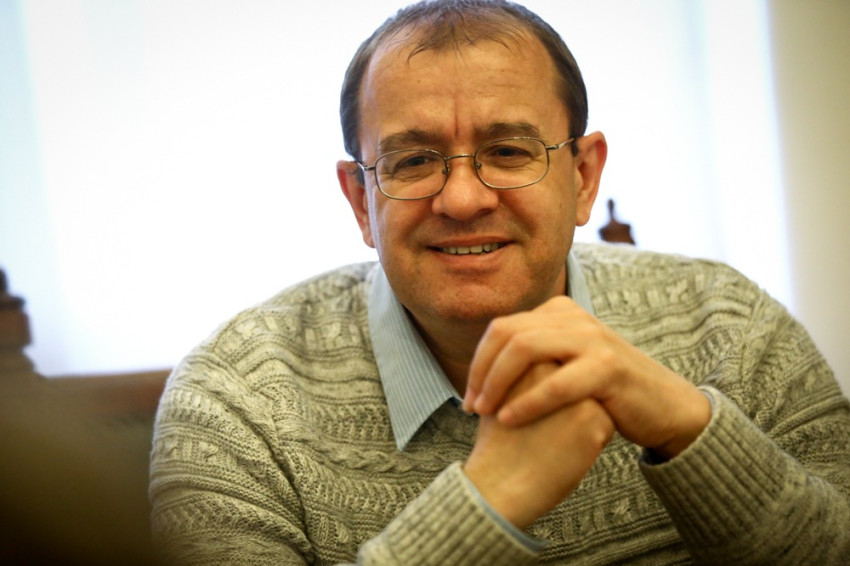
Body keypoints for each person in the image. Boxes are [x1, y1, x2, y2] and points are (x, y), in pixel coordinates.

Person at [149, 1, 850, 564]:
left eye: (509, 151)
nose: (461, 199)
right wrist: (487, 500)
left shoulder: (730, 324)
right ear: (361, 200)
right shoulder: (234, 403)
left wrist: (690, 431)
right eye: (412, 161)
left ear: (583, 177)